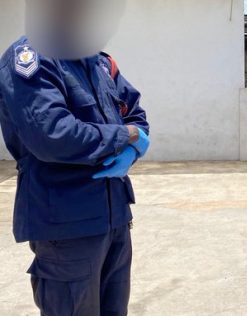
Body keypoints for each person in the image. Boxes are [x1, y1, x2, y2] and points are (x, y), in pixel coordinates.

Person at [0, 4, 150, 314]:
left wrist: (133, 147)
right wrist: (127, 137)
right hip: (66, 225)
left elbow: (135, 113)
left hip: (115, 218)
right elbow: (53, 135)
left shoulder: (99, 63)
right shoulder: (32, 58)